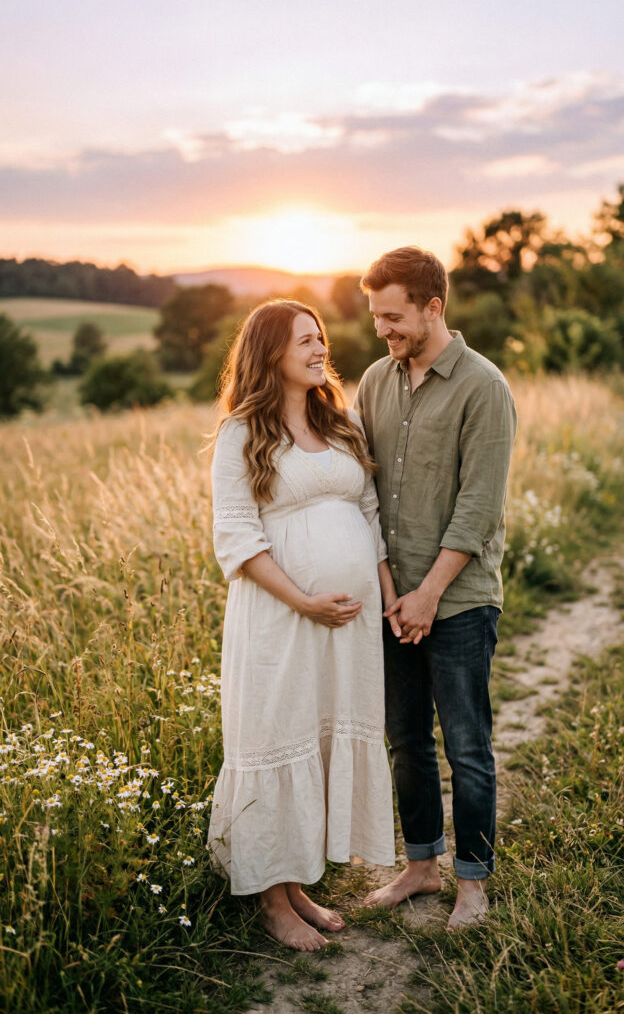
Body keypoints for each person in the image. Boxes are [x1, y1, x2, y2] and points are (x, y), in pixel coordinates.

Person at [206, 299, 396, 952]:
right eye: (304, 342)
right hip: (278, 622)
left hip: (347, 627)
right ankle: (270, 900)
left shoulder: (341, 423)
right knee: (275, 734)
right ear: (269, 356)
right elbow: (233, 535)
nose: (320, 350)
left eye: (319, 339)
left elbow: (369, 514)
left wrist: (389, 597)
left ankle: (294, 885)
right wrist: (303, 599)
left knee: (315, 740)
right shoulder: (241, 431)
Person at [354, 247, 517, 930]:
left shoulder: (483, 387)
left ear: (432, 307)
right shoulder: (372, 381)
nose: (382, 330)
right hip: (393, 598)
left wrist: (428, 595)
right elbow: (365, 494)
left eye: (393, 317)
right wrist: (393, 588)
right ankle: (421, 866)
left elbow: (477, 508)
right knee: (404, 740)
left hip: (458, 599)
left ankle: (472, 882)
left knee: (465, 744)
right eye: (375, 318)